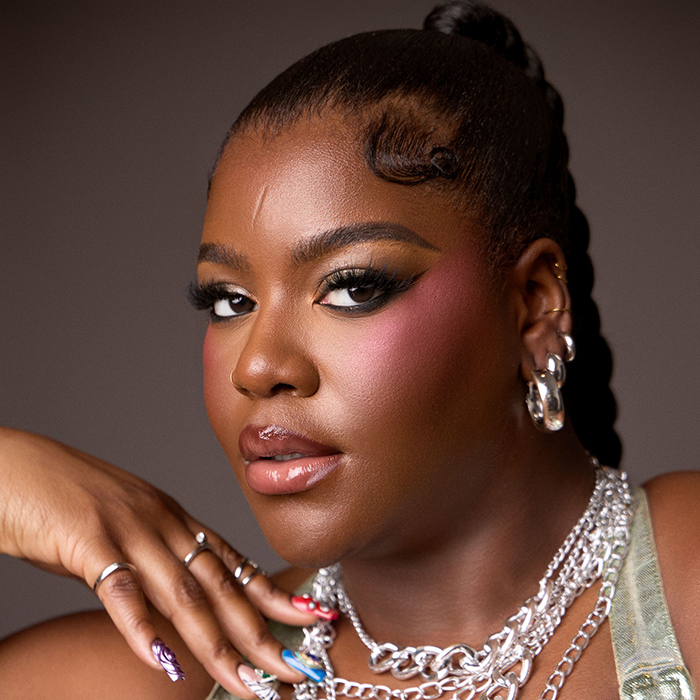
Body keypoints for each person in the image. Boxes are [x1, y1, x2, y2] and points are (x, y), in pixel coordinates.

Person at [0, 2, 698, 699]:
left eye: (353, 287)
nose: (257, 368)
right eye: (230, 302)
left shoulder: (683, 588)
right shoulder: (157, 677)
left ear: (534, 303)